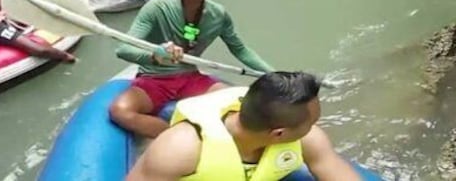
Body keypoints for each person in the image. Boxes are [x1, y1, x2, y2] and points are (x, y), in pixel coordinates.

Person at [109, 0, 274, 139]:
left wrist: (272, 74)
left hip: (190, 78)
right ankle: (178, 138)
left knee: (243, 108)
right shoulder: (156, 8)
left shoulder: (218, 14)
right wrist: (155, 56)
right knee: (120, 111)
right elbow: (123, 49)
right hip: (154, 80)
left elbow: (241, 50)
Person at [127, 71, 362, 181]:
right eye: (311, 123)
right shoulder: (180, 147)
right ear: (278, 134)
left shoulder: (307, 139)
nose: (315, 128)